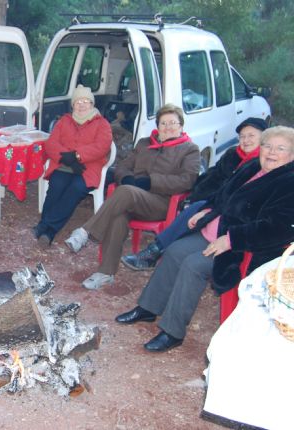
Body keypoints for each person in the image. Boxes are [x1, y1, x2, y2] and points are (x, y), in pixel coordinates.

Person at [115, 126, 294, 352]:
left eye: (280, 148)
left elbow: (279, 229)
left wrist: (231, 240)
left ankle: (172, 331)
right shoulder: (252, 167)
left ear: (292, 154)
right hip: (215, 232)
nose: (271, 152)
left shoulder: (289, 182)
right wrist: (206, 210)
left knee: (193, 264)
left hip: (245, 249)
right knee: (174, 251)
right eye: (267, 146)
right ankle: (149, 308)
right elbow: (223, 195)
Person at [65, 103, 200, 290]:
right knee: (118, 217)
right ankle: (106, 273)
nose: (168, 127)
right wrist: (127, 177)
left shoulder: (189, 150)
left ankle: (85, 232)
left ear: (181, 126)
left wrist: (151, 181)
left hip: (160, 203)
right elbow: (122, 166)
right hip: (130, 198)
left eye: (172, 123)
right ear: (157, 126)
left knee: (125, 192)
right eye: (163, 123)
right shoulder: (145, 143)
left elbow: (187, 181)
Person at [122, 117, 268, 270]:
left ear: (264, 137)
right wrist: (196, 193)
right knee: (193, 206)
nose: (245, 140)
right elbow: (213, 176)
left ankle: (153, 252)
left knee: (195, 208)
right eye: (242, 136)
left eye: (251, 136)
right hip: (217, 202)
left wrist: (207, 203)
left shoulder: (263, 162)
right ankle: (158, 252)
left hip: (237, 214)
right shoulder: (233, 154)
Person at [34, 85, 112, 247]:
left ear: (92, 104)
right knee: (56, 184)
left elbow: (102, 146)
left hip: (87, 168)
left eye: (86, 101)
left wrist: (77, 156)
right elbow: (51, 143)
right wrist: (66, 157)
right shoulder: (65, 121)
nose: (82, 105)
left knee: (75, 189)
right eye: (78, 102)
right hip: (64, 164)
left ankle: (47, 229)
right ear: (73, 105)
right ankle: (46, 227)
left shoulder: (102, 123)